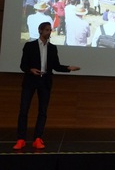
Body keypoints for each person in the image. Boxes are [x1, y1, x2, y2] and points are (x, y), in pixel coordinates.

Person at [13, 22, 80, 150]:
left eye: (50, 30)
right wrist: (31, 70)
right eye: (47, 30)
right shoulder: (29, 46)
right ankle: (21, 139)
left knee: (42, 111)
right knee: (24, 110)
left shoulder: (53, 48)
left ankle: (37, 138)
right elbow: (23, 65)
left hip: (45, 82)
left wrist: (68, 68)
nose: (49, 32)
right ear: (40, 31)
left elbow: (56, 66)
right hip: (30, 81)